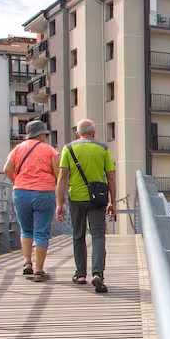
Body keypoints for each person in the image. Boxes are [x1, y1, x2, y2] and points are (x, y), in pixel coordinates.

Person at [56, 119, 116, 293]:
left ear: (77, 134)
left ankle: (80, 274)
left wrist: (59, 203)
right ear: (94, 133)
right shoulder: (103, 149)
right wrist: (112, 201)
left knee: (78, 235)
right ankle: (98, 273)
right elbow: (111, 177)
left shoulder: (68, 148)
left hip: (76, 198)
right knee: (98, 235)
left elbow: (62, 176)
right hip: (97, 198)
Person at [3, 120, 60, 281]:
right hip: (43, 192)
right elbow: (58, 172)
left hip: (21, 192)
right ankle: (39, 271)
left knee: (26, 229)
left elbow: (6, 169)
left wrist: (17, 180)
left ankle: (27, 262)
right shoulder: (49, 150)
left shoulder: (18, 148)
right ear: (41, 134)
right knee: (41, 232)